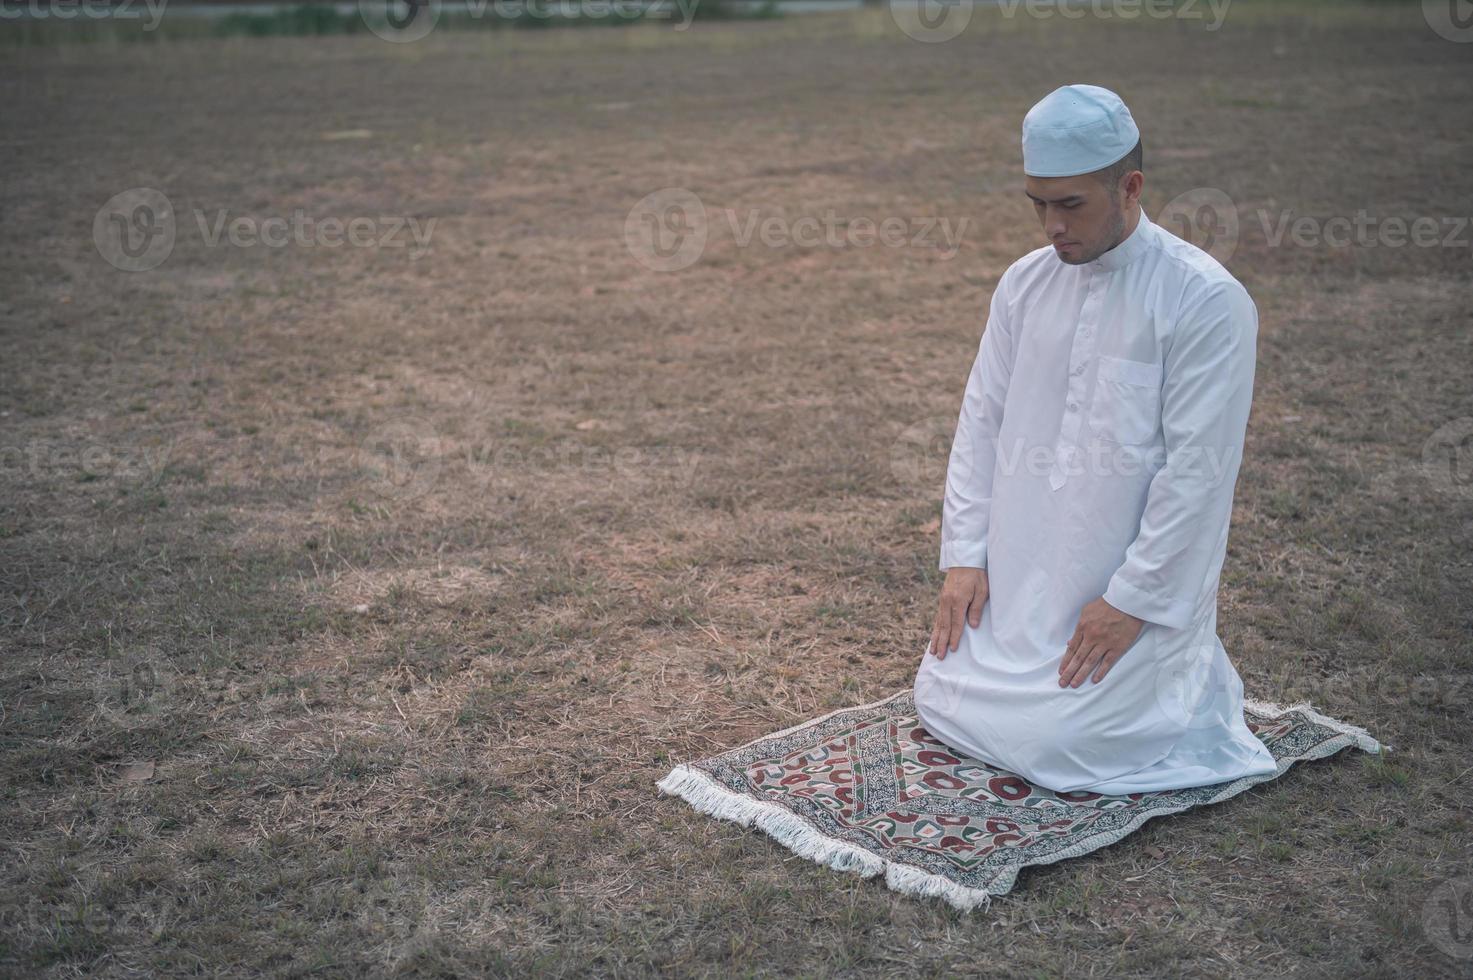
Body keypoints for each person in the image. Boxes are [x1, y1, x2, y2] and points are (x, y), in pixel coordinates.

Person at [910, 84, 1279, 795]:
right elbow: (979, 424)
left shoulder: (1203, 299)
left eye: (1070, 204)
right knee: (938, 693)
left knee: (1061, 743)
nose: (1050, 225)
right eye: (1037, 204)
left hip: (1123, 594)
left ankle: (1153, 682)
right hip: (1021, 581)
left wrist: (1131, 602)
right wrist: (963, 558)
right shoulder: (1022, 285)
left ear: (1129, 187)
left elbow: (1197, 473)